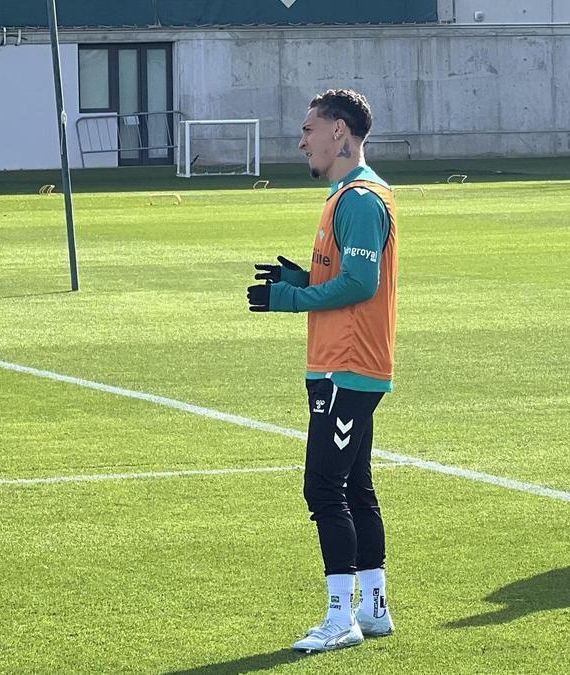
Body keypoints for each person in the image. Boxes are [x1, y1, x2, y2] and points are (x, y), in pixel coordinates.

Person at [247, 89, 399, 653]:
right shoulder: (348, 197)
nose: (303, 139)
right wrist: (297, 279)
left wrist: (288, 301)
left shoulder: (360, 199)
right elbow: (342, 275)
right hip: (343, 364)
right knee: (356, 486)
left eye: (310, 128)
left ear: (341, 131)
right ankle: (374, 605)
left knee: (324, 486)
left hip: (348, 367)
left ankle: (341, 617)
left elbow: (362, 285)